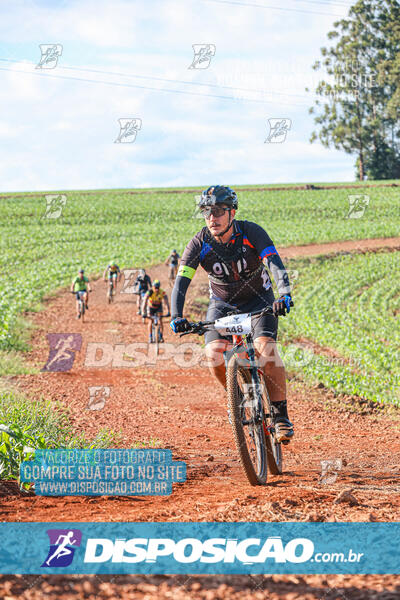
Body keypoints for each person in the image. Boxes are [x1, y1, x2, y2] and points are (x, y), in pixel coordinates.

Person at [169, 185, 294, 443]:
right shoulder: (199, 243)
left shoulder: (251, 232)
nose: (211, 218)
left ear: (232, 212)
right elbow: (181, 282)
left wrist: (284, 294)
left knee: (266, 349)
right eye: (206, 212)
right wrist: (175, 315)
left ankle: (280, 416)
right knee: (213, 354)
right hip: (222, 305)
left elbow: (274, 264)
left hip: (259, 301)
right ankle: (235, 400)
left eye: (217, 211)